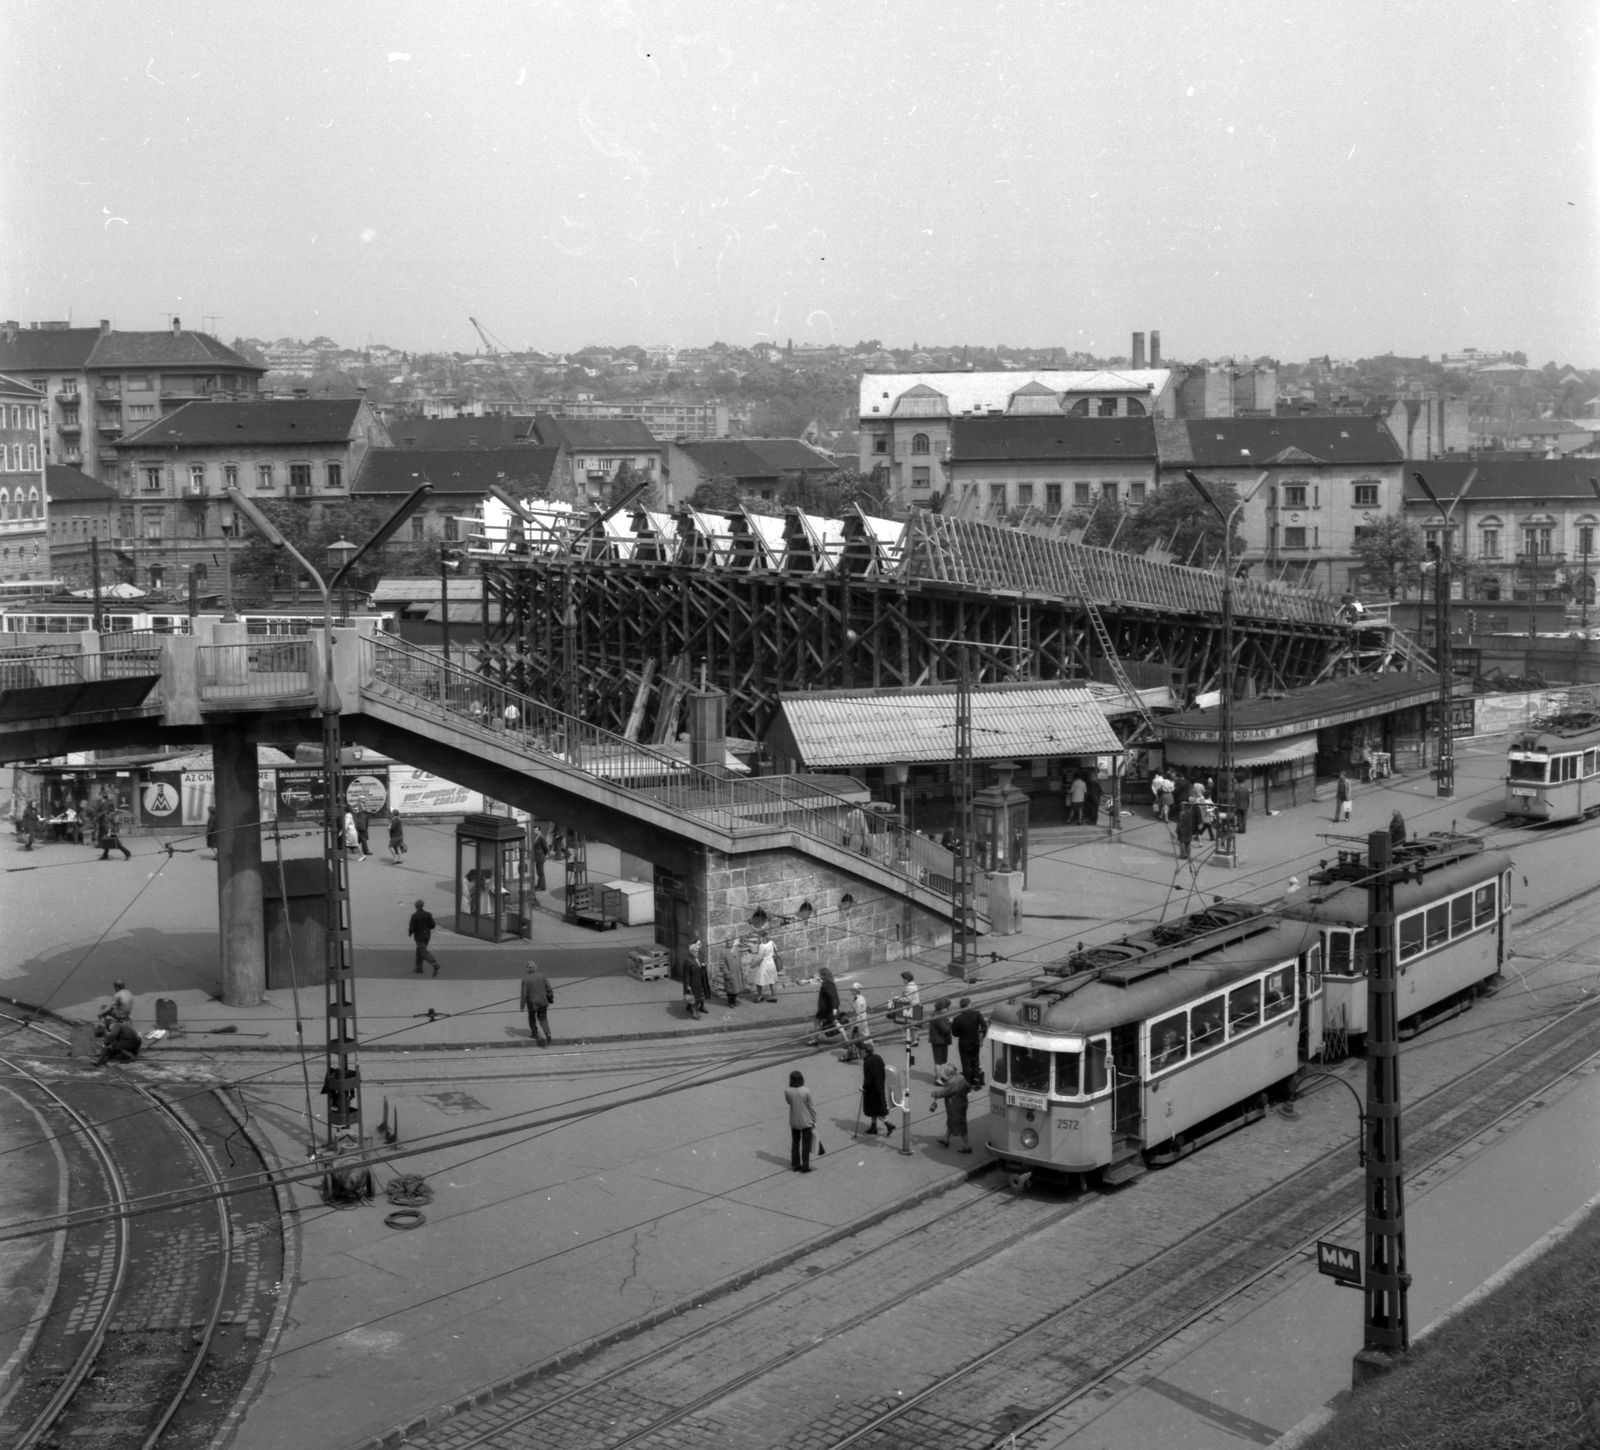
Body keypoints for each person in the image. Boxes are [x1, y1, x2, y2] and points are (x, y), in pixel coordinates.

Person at [930, 1070, 973, 1153]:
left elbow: (943, 1092)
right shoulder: (961, 1077)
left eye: (945, 1075)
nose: (944, 1077)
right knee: (951, 1120)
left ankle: (967, 1146)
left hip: (955, 1106)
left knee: (960, 1124)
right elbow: (967, 1088)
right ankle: (946, 1139)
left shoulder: (952, 1082)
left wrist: (935, 1093)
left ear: (949, 1074)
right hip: (962, 1103)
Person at [785, 1070, 817, 1173]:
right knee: (806, 1145)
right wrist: (814, 1119)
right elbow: (811, 1107)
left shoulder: (787, 1091)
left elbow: (789, 1102)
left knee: (795, 1143)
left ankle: (795, 1165)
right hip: (806, 1121)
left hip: (794, 1121)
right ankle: (805, 1166)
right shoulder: (806, 1091)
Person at [950, 997, 987, 1085]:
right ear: (969, 1005)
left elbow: (955, 1034)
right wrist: (981, 1037)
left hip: (963, 1044)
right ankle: (977, 1083)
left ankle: (968, 1084)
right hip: (975, 1042)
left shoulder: (957, 1019)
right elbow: (984, 1026)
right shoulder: (977, 1014)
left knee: (966, 1064)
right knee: (975, 1062)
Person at [519, 959, 554, 1045]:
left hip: (532, 1003)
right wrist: (551, 997)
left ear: (527, 969)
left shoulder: (525, 979)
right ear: (535, 968)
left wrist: (522, 1006)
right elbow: (549, 988)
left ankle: (534, 1033)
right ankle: (548, 1033)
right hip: (542, 1000)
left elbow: (524, 994)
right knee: (543, 1018)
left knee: (531, 1017)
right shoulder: (542, 976)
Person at [861, 1042, 892, 1136]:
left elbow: (868, 1079)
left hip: (872, 1089)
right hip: (880, 1085)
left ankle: (888, 1124)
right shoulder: (878, 1057)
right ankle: (873, 1127)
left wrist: (863, 1087)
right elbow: (883, 1069)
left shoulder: (867, 1062)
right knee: (874, 1109)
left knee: (874, 1108)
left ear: (865, 1052)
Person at [407, 898, 441, 976]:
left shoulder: (414, 916)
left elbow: (412, 928)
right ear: (422, 906)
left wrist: (410, 933)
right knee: (419, 951)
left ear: (416, 906)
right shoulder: (428, 914)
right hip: (427, 936)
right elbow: (433, 926)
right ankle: (419, 968)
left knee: (423, 951)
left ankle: (434, 964)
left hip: (419, 937)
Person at [927, 998, 954, 1083]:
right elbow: (945, 1029)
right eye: (947, 1007)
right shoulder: (938, 1016)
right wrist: (950, 1023)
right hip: (938, 1041)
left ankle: (940, 1075)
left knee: (942, 1060)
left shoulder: (937, 1013)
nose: (948, 1009)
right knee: (938, 1061)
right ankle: (938, 1079)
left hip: (940, 1040)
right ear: (943, 1007)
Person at [682, 938, 710, 1017]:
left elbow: (701, 964)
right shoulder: (687, 961)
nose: (696, 953)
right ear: (691, 952)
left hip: (700, 981)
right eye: (694, 951)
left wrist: (704, 965)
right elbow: (686, 975)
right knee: (694, 999)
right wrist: (687, 985)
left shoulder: (699, 957)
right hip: (693, 983)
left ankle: (698, 1009)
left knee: (700, 996)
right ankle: (694, 1013)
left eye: (697, 951)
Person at [814, 965, 842, 1043]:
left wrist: (834, 1009)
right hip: (829, 1008)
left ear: (823, 975)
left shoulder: (825, 985)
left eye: (819, 974)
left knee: (817, 1021)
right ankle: (846, 1039)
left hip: (825, 1009)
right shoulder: (830, 983)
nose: (818, 975)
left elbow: (832, 996)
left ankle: (814, 1040)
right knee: (836, 1023)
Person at [843, 981, 870, 1062]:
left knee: (851, 1039)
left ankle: (848, 1055)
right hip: (864, 1020)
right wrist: (849, 1011)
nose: (851, 991)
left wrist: (856, 1026)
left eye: (851, 990)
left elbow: (859, 1014)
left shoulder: (857, 1000)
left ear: (855, 990)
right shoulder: (861, 998)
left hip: (859, 1022)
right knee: (866, 1037)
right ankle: (868, 1052)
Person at [753, 934, 778, 1003]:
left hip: (764, 964)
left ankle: (760, 996)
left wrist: (754, 964)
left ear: (763, 938)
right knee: (772, 981)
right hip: (771, 964)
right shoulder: (772, 943)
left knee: (759, 981)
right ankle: (773, 996)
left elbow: (759, 957)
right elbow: (776, 950)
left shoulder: (762, 946)